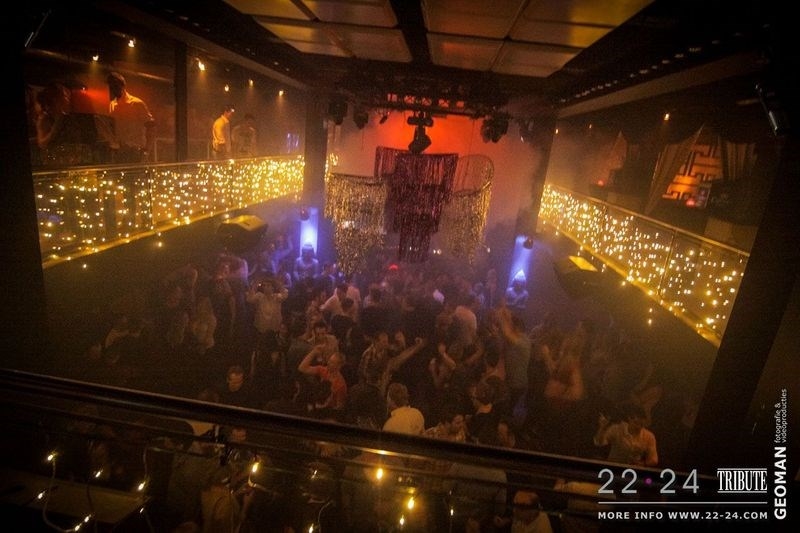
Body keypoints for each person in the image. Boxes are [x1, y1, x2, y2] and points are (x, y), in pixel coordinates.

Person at [106, 72, 155, 163]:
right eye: (111, 86)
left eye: (115, 85)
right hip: (120, 151)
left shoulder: (137, 103)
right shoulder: (112, 104)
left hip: (136, 151)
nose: (113, 89)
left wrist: (147, 151)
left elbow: (151, 128)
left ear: (122, 85)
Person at [593, 401, 659, 467]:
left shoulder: (649, 436)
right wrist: (602, 428)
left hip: (633, 470)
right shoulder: (617, 429)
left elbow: (654, 460)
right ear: (629, 418)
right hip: (613, 467)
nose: (638, 425)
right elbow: (599, 442)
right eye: (635, 421)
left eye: (641, 422)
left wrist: (642, 464)